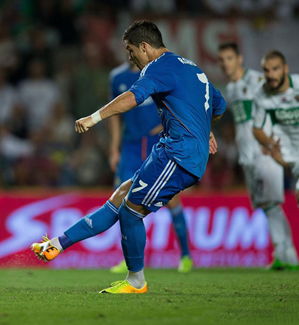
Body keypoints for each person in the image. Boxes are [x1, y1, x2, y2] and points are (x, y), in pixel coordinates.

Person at [31, 21, 225, 294]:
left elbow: (133, 97)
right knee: (120, 195)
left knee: (131, 211)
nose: (130, 57)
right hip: (168, 150)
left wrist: (93, 117)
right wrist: (205, 130)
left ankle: (136, 281)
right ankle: (57, 245)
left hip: (179, 155)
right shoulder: (192, 68)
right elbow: (218, 104)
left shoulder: (158, 68)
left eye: (131, 50)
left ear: (144, 47)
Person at [218, 44, 299, 270]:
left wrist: (273, 139)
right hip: (247, 156)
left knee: (271, 203)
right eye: (222, 60)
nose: (225, 63)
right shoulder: (232, 89)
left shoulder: (256, 81)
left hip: (263, 152)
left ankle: (286, 254)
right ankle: (284, 253)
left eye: (229, 58)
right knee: (267, 205)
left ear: (239, 59)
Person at [107, 61, 193, 274]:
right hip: (131, 146)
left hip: (158, 141)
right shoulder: (117, 77)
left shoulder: (159, 73)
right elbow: (115, 115)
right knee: (122, 201)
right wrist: (114, 148)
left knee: (172, 199)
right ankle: (129, 259)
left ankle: (186, 256)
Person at [252, 50, 299, 254]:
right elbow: (257, 129)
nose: (271, 75)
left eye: (275, 69)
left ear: (285, 69)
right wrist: (269, 144)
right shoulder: (262, 95)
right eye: (266, 70)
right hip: (291, 158)